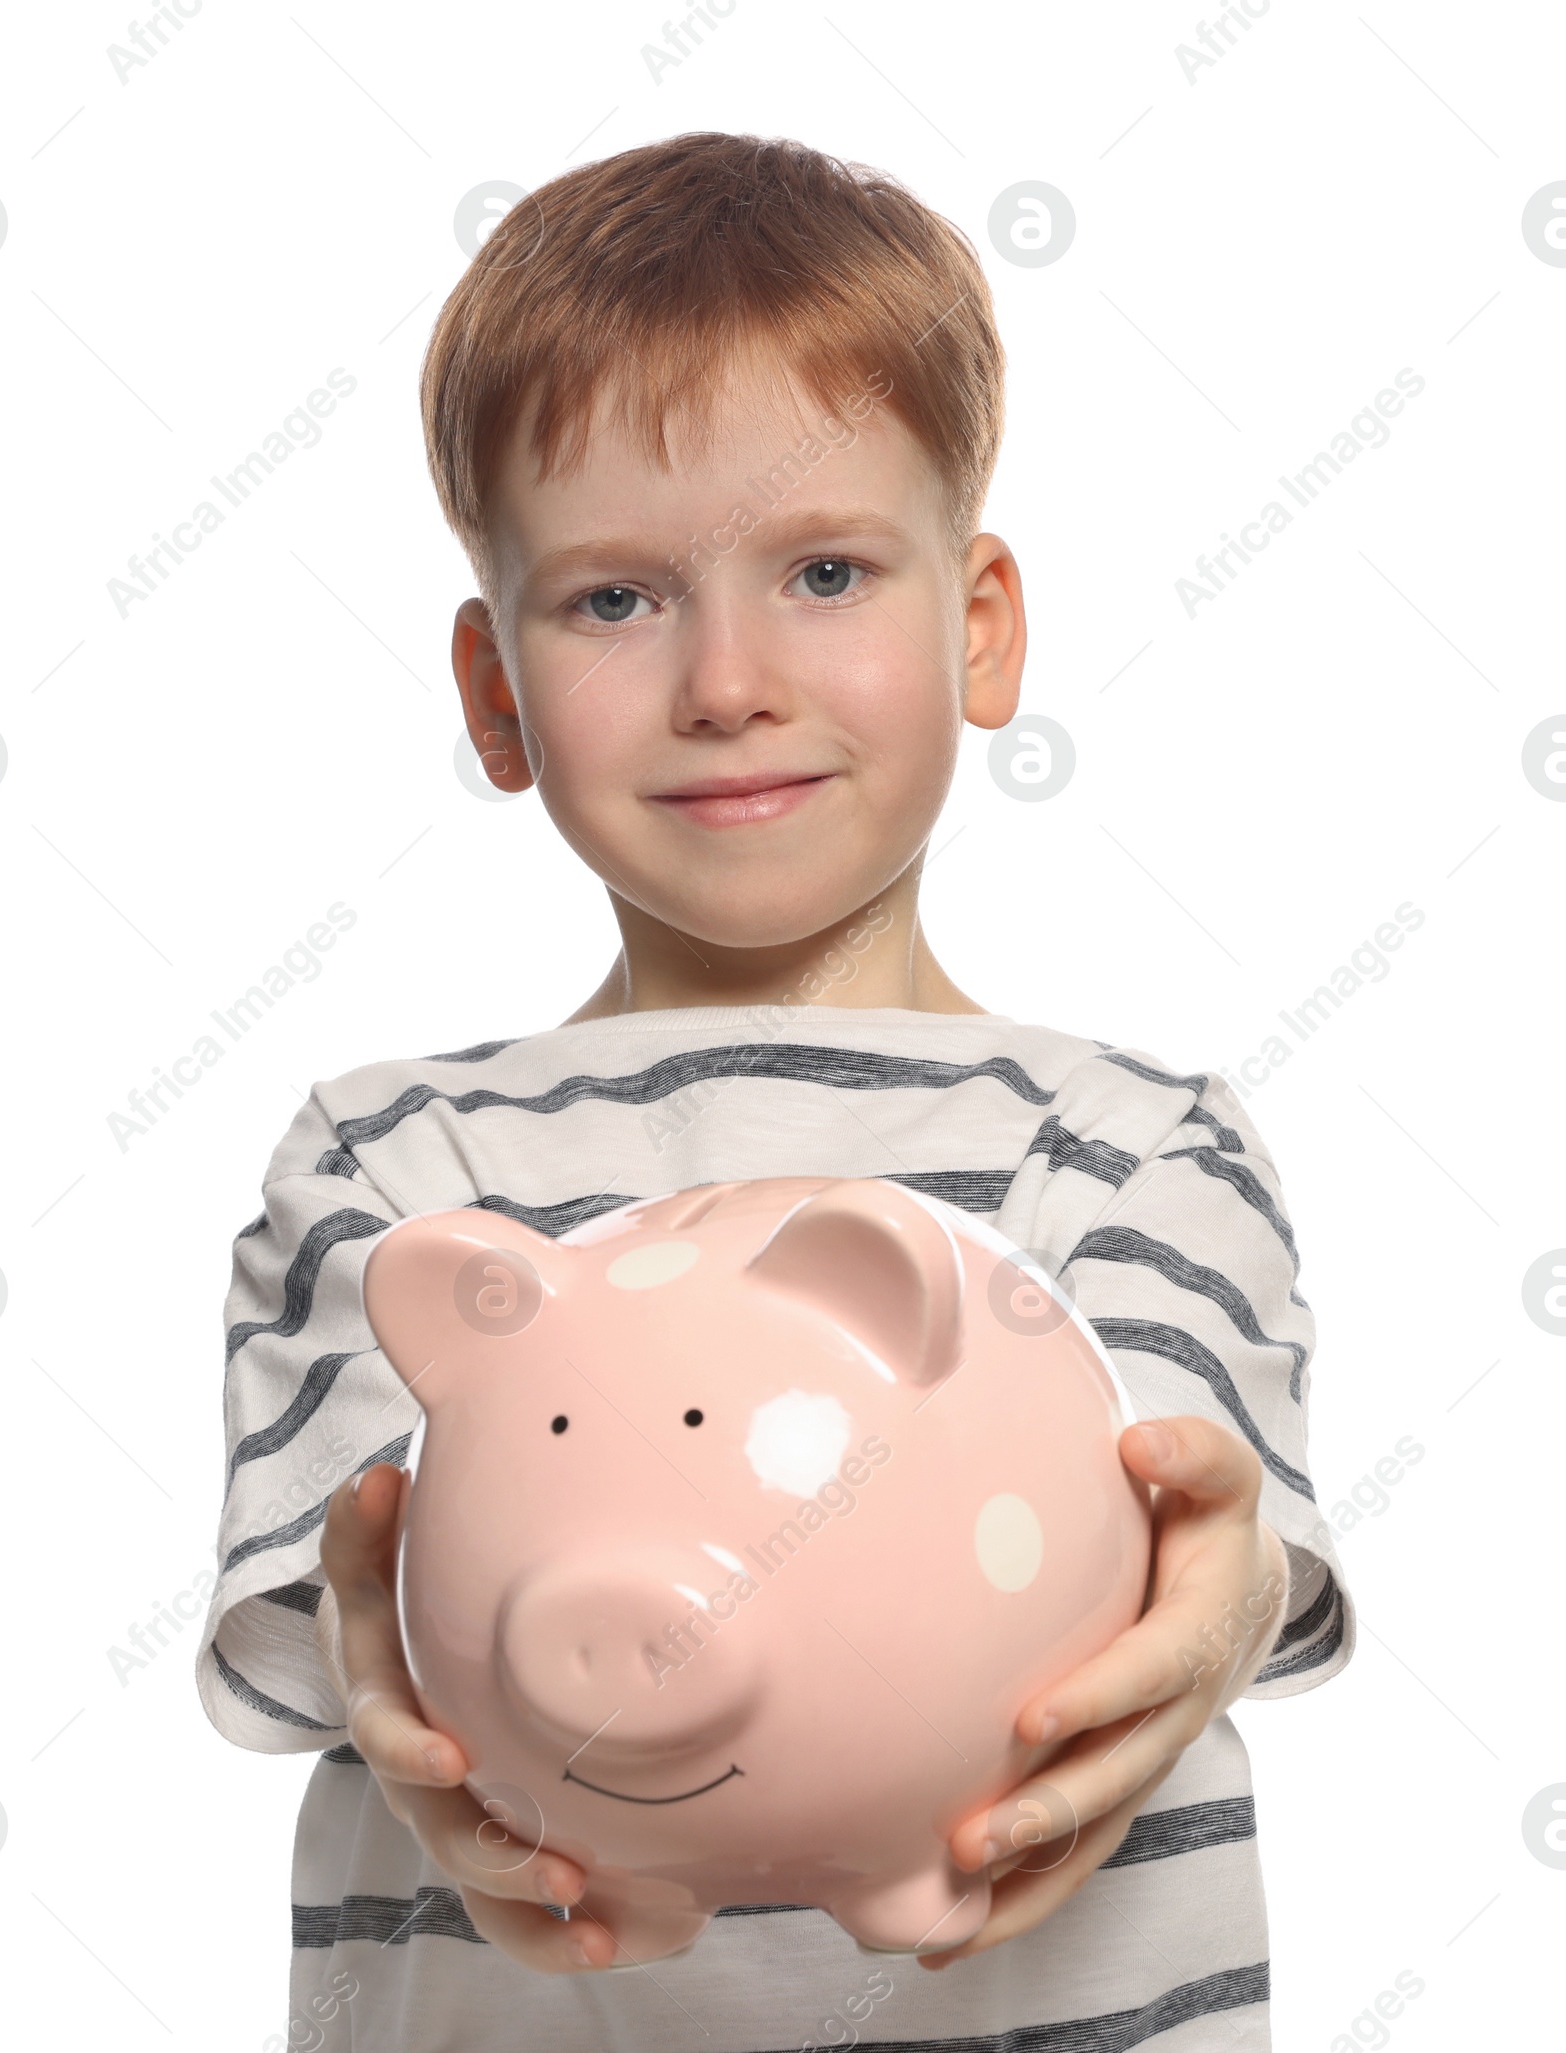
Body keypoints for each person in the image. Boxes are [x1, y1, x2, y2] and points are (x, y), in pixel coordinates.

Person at [196, 130, 1353, 2053]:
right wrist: (390, 1659)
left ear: (976, 625)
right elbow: (336, 1623)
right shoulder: (397, 1165)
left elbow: (1210, 1547)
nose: (728, 681)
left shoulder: (1137, 1147)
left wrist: (1219, 1595)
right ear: (494, 695)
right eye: (616, 603)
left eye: (824, 570)